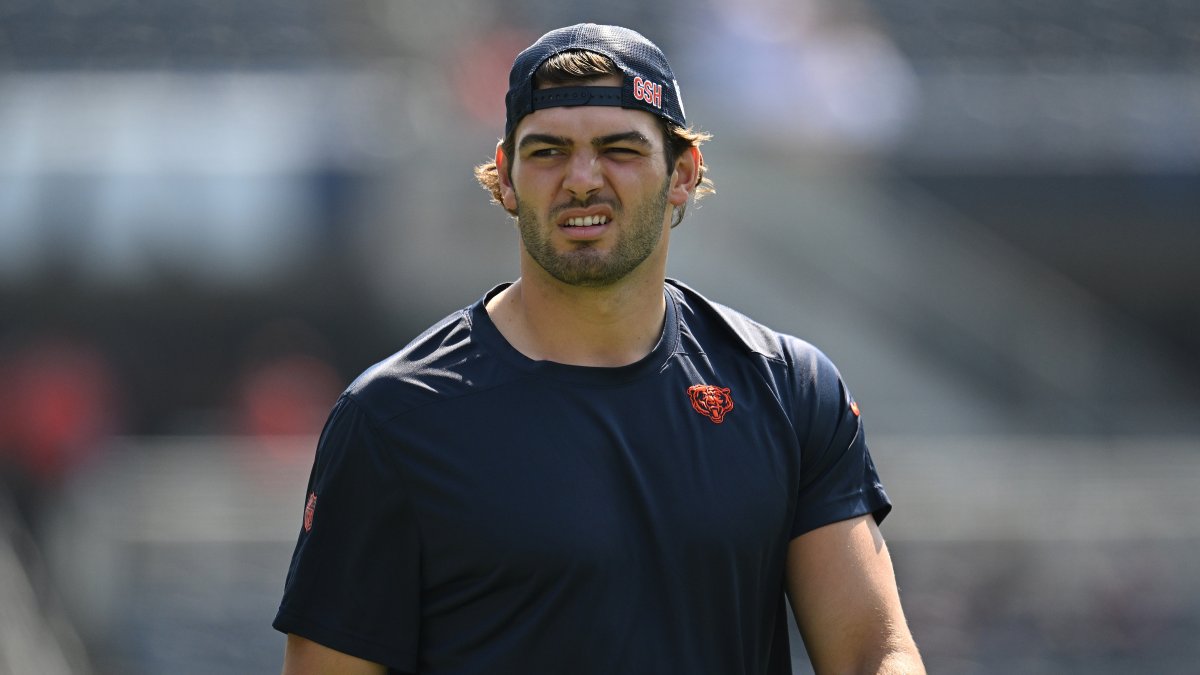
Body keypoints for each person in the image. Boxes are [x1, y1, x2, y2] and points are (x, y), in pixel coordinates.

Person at [273, 23, 924, 675]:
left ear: (682, 172)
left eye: (619, 149)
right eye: (549, 151)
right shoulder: (393, 417)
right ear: (505, 177)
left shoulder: (787, 388)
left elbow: (873, 651)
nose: (582, 179)